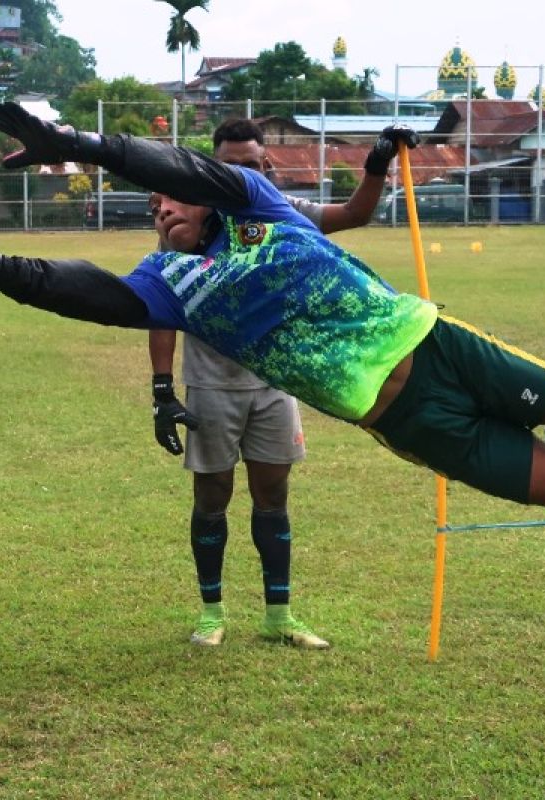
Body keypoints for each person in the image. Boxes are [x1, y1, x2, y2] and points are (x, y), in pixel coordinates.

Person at [0, 102, 545, 517]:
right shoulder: (168, 281)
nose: (160, 205)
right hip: (407, 418)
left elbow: (173, 166)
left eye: (168, 196)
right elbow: (82, 291)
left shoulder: (256, 202)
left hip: (439, 348)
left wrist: (87, 147)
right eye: (151, 206)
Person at [149, 118, 411, 649]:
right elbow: (162, 304)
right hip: (211, 387)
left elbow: (356, 213)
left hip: (275, 385)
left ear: (266, 165)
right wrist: (161, 389)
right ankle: (211, 613)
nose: (240, 173)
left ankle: (279, 616)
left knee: (273, 498)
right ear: (211, 167)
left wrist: (378, 163)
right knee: (212, 497)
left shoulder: (283, 214)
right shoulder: (192, 220)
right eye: (229, 165)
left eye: (249, 164)